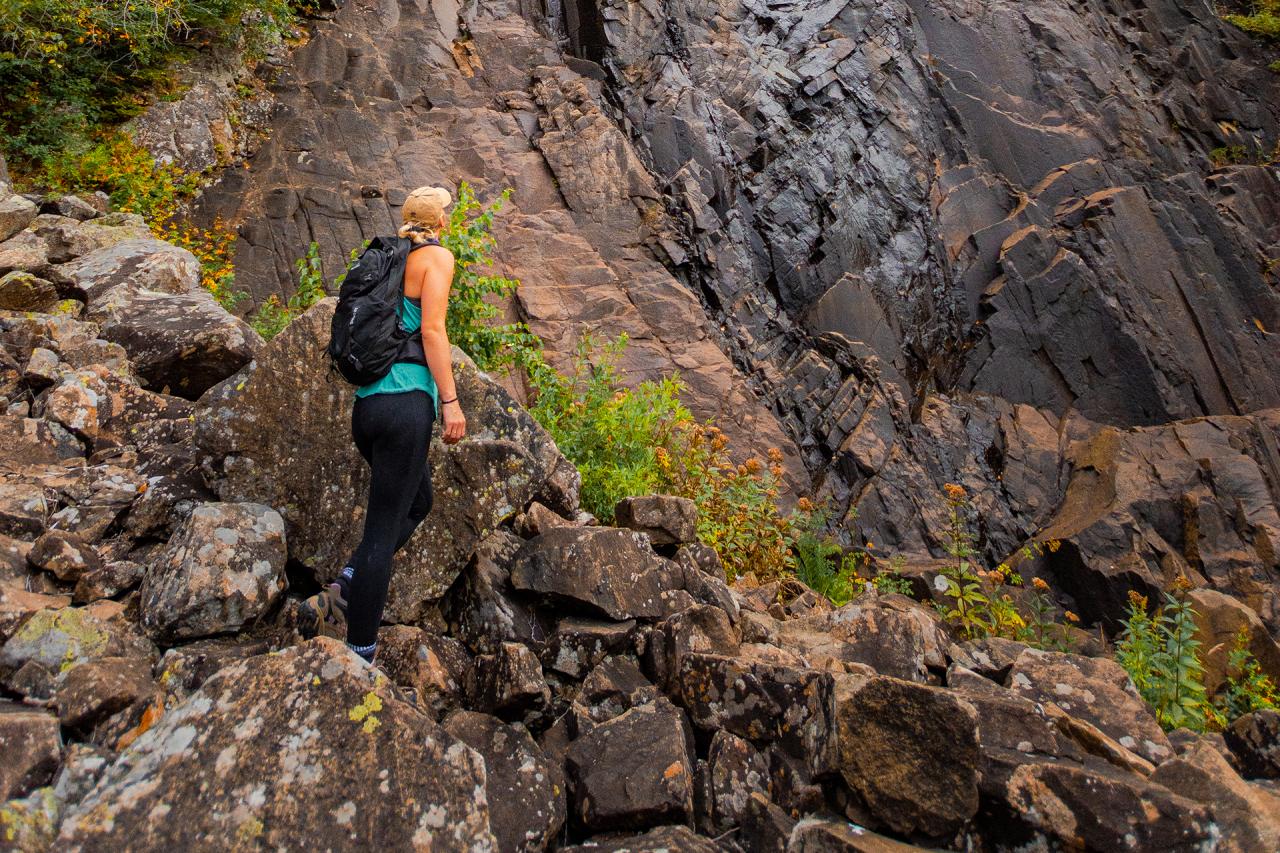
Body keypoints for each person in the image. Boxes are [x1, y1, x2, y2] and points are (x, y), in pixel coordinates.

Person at [299, 185, 467, 662]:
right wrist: (450, 402)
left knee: (419, 502)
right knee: (380, 532)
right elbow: (433, 330)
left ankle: (347, 584)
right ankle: (359, 656)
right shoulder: (436, 258)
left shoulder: (387, 259)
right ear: (439, 223)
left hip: (368, 409)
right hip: (406, 407)